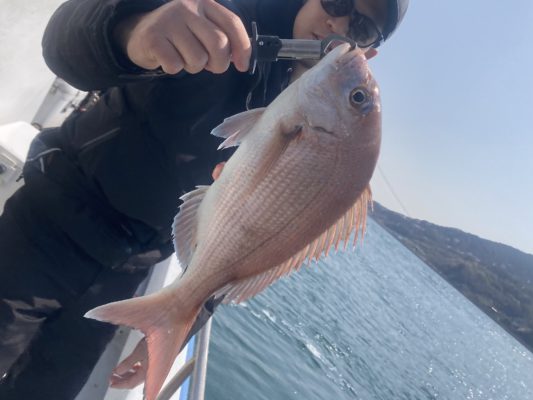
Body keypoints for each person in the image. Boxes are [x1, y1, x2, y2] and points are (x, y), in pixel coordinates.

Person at [0, 0, 408, 398]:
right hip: (47, 230)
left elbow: (244, 240)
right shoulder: (219, 15)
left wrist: (181, 321)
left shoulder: (299, 101)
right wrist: (131, 31)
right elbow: (62, 49)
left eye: (362, 27)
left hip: (124, 274)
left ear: (366, 49)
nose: (339, 24)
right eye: (337, 2)